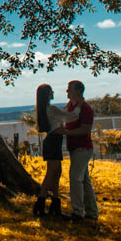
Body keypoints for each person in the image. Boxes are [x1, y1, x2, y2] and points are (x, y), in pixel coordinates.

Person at [33, 83, 79, 218]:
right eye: (51, 91)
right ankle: (40, 203)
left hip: (53, 141)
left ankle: (54, 202)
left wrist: (70, 104)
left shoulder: (46, 109)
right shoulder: (52, 108)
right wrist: (79, 106)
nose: (53, 93)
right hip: (53, 141)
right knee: (52, 173)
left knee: (57, 172)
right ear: (47, 94)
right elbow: (70, 116)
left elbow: (62, 113)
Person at [63, 79, 99, 221]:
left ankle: (78, 211)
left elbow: (85, 130)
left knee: (75, 178)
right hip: (75, 148)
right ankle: (92, 212)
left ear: (78, 91)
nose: (67, 91)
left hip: (82, 148)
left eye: (70, 88)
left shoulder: (86, 109)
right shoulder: (71, 106)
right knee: (84, 181)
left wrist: (65, 132)